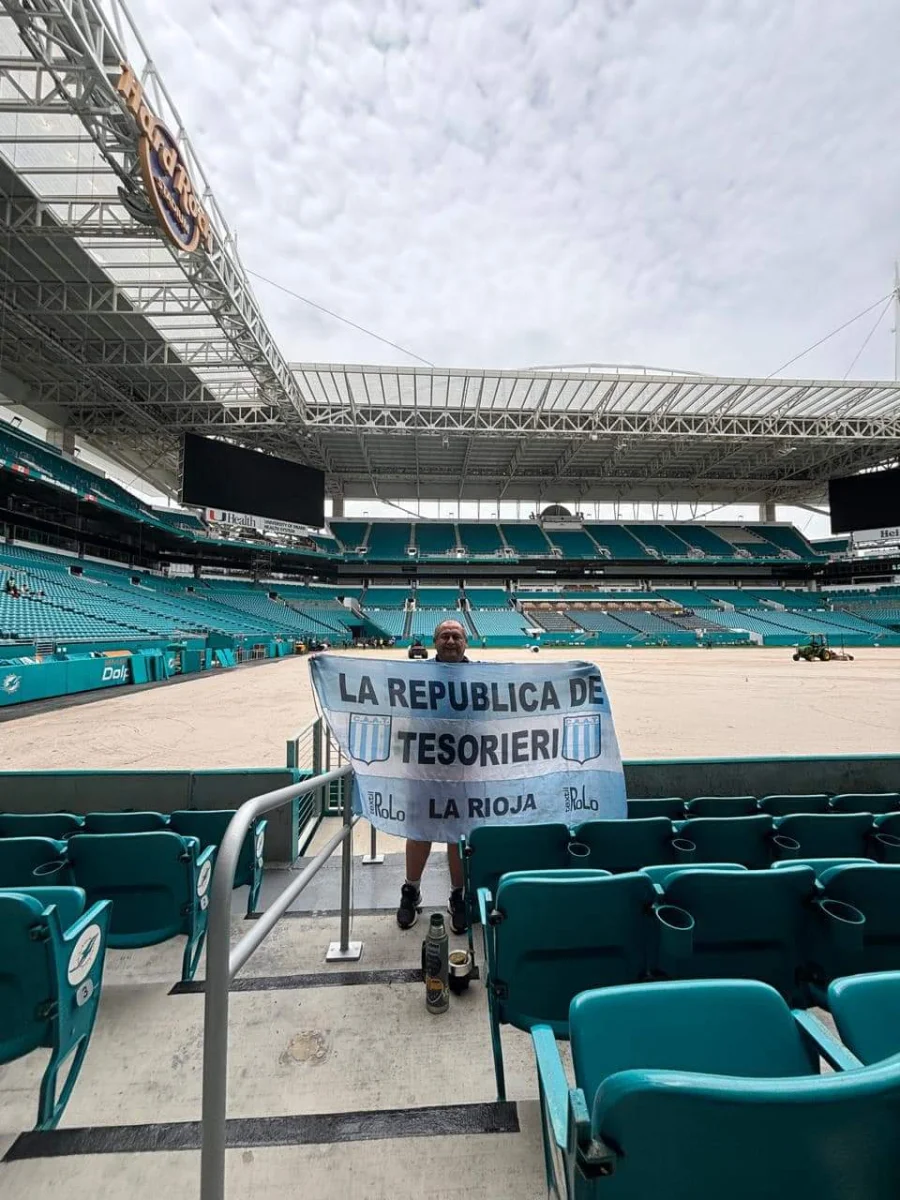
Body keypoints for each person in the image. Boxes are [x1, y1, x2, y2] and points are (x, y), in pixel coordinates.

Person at [397, 618, 469, 934]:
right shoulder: (418, 676)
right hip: (424, 768)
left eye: (456, 636)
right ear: (434, 642)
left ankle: (459, 895)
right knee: (420, 831)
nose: (450, 641)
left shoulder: (482, 677)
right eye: (444, 636)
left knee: (458, 835)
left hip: (467, 771)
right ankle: (411, 890)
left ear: (466, 642)